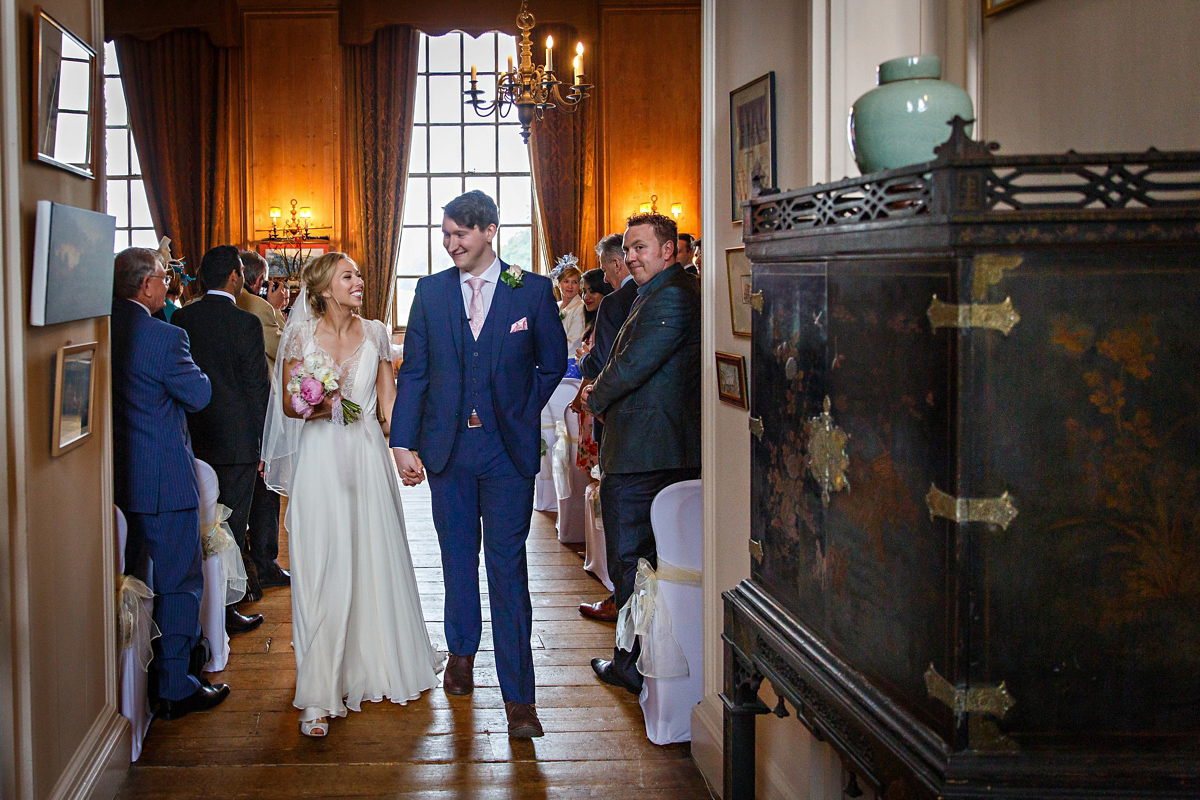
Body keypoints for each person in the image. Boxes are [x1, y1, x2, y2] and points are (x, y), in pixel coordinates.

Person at [391, 190, 567, 739]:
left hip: (506, 452)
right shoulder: (430, 292)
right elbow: (415, 372)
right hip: (447, 450)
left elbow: (553, 362)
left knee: (508, 567)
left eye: (460, 234)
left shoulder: (532, 291)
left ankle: (520, 697)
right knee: (456, 557)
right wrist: (403, 441)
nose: (451, 244)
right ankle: (461, 652)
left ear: (490, 231)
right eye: (445, 235)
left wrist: (518, 412)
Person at [261, 252, 442, 738]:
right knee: (322, 564)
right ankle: (319, 693)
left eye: (359, 275)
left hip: (365, 460)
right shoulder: (299, 334)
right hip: (319, 463)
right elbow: (290, 404)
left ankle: (376, 661)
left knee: (370, 557)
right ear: (324, 289)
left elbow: (387, 405)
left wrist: (405, 449)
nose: (360, 282)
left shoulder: (378, 332)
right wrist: (325, 402)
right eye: (349, 276)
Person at [582, 213, 701, 695]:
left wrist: (595, 395)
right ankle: (639, 657)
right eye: (627, 249)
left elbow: (631, 365)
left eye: (641, 247)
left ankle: (631, 665)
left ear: (669, 250)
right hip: (653, 449)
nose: (630, 256)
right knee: (639, 564)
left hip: (647, 453)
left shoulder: (672, 295)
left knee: (630, 561)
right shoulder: (657, 292)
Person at [111, 246, 228, 719]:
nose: (169, 283)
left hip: (117, 479)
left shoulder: (98, 327)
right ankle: (175, 685)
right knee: (181, 580)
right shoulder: (163, 337)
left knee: (130, 579)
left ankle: (134, 683)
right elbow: (198, 394)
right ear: (145, 286)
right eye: (163, 277)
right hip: (163, 478)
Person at [172, 246, 271, 631]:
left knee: (196, 525)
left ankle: (198, 610)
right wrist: (264, 444)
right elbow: (255, 389)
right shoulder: (245, 323)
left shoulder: (182, 317)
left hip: (193, 437)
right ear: (235, 276)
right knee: (230, 528)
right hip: (237, 442)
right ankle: (226, 612)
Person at [574, 234, 640, 624]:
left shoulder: (617, 302)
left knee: (620, 513)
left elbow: (603, 361)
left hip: (617, 416)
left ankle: (620, 599)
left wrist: (584, 365)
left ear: (614, 265)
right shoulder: (654, 294)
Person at [236, 250, 291, 590]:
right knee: (266, 491)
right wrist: (277, 311)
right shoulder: (259, 309)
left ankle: (249, 564)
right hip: (259, 409)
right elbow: (285, 348)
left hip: (229, 414)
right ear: (258, 280)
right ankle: (265, 563)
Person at [573, 268, 613, 475]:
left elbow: (594, 367)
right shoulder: (593, 322)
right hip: (590, 398)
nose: (586, 296)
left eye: (592, 291)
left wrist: (578, 398)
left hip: (595, 398)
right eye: (584, 291)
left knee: (596, 468)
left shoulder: (604, 324)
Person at [555, 263, 586, 357]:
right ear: (559, 283)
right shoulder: (555, 306)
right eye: (566, 281)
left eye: (574, 282)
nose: (570, 286)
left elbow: (574, 342)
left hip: (570, 359)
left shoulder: (581, 308)